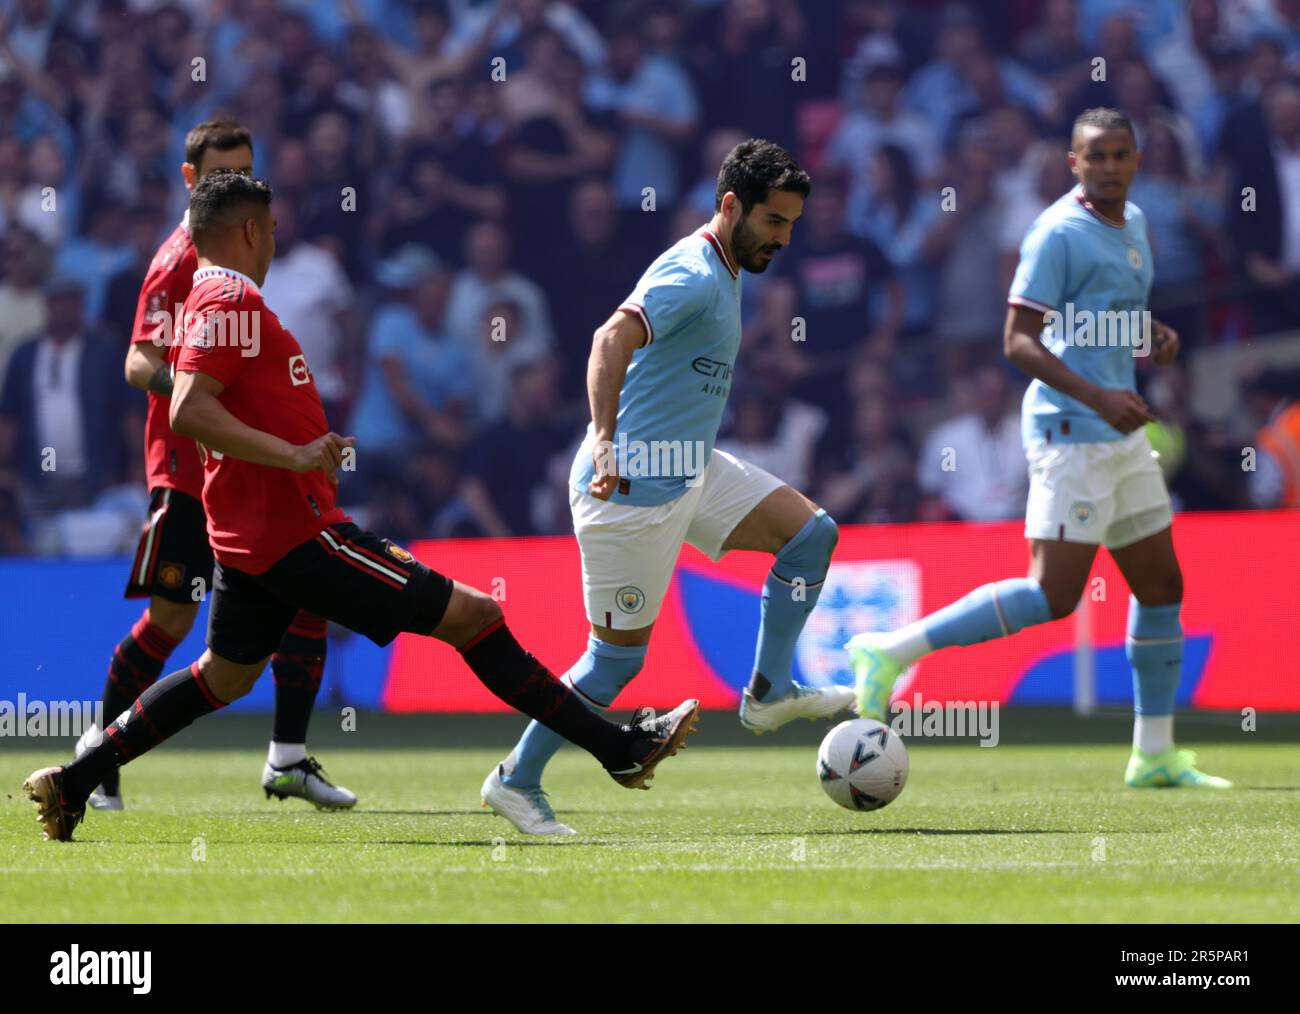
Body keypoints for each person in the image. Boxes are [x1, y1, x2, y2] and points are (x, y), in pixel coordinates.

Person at [24, 171, 698, 842]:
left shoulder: (212, 297)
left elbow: (213, 403)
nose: (275, 244)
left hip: (249, 540)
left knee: (223, 676)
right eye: (274, 231)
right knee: (476, 614)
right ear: (252, 230)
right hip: (299, 537)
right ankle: (618, 750)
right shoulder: (229, 298)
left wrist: (301, 445)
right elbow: (189, 407)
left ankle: (73, 781)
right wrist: (291, 457)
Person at [846, 109, 1230, 790]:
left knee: (1162, 584)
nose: (1109, 166)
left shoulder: (1135, 225)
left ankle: (1154, 753)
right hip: (1070, 431)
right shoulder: (1056, 233)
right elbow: (1018, 342)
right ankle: (890, 650)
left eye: (1120, 154)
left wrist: (1152, 337)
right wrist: (1099, 398)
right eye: (1096, 156)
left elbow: (1103, 320)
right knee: (1053, 594)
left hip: (1121, 431)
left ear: (1136, 160)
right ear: (1073, 163)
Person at [481, 139, 854, 836]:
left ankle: (770, 692)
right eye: (774, 222)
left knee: (811, 536)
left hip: (691, 467)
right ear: (730, 206)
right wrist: (606, 441)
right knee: (613, 665)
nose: (784, 239)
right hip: (627, 492)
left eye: (793, 226)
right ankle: (515, 780)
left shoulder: (728, 266)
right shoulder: (692, 273)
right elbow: (606, 341)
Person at [68, 118, 354, 812]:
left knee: (307, 597)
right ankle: (98, 758)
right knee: (172, 619)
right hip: (191, 472)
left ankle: (286, 758)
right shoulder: (178, 260)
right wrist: (202, 391)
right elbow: (138, 361)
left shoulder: (243, 244)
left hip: (248, 470)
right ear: (191, 179)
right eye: (223, 173)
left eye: (246, 171)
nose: (237, 185)